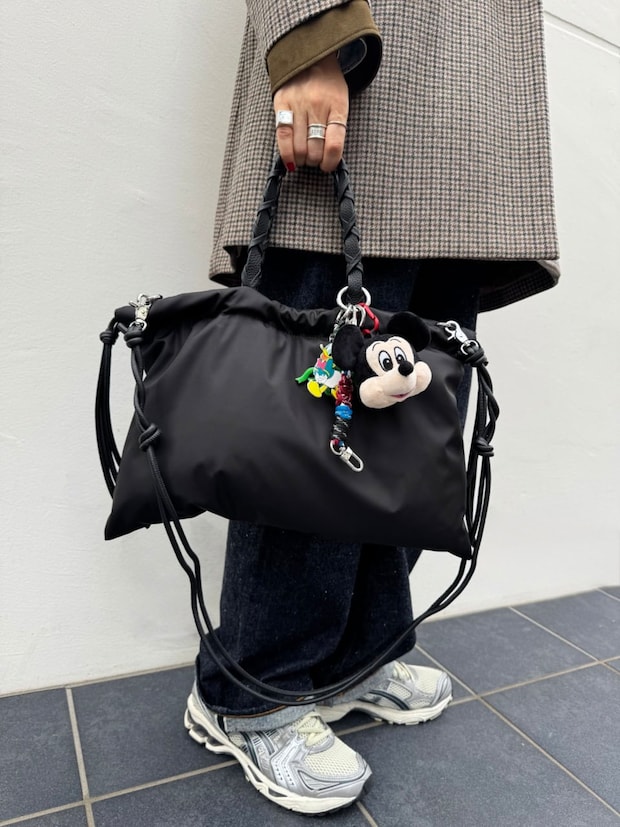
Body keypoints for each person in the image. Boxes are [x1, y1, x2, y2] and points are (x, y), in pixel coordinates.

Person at [184, 0, 559, 816]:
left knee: (412, 424)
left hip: (465, 126)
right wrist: (310, 35)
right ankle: (251, 686)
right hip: (370, 80)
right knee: (315, 423)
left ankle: (356, 653)